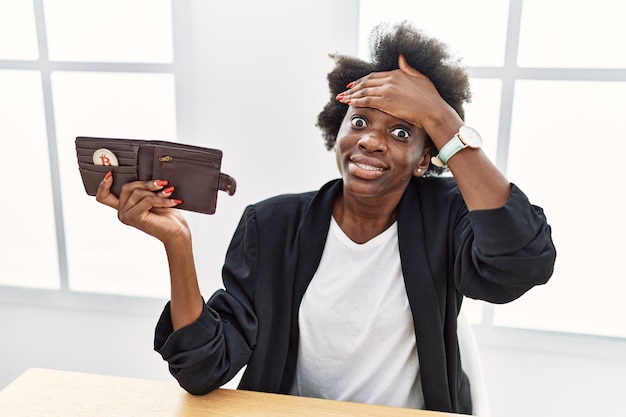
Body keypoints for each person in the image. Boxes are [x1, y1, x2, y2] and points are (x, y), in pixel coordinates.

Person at [95, 21, 556, 414]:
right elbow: (202, 369)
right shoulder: (272, 226)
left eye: (400, 131)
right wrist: (177, 243)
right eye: (359, 121)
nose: (372, 141)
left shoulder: (448, 214)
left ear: (424, 159)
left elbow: (520, 264)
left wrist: (440, 116)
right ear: (336, 130)